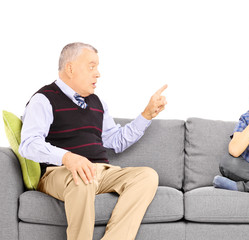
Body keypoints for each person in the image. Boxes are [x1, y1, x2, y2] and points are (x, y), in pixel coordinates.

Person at [19, 42, 167, 240]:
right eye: (91, 66)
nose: (98, 74)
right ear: (70, 68)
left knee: (147, 176)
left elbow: (116, 140)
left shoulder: (97, 103)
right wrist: (68, 158)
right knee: (83, 177)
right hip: (60, 173)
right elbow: (28, 144)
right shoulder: (43, 99)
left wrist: (146, 115)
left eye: (97, 67)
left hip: (100, 171)